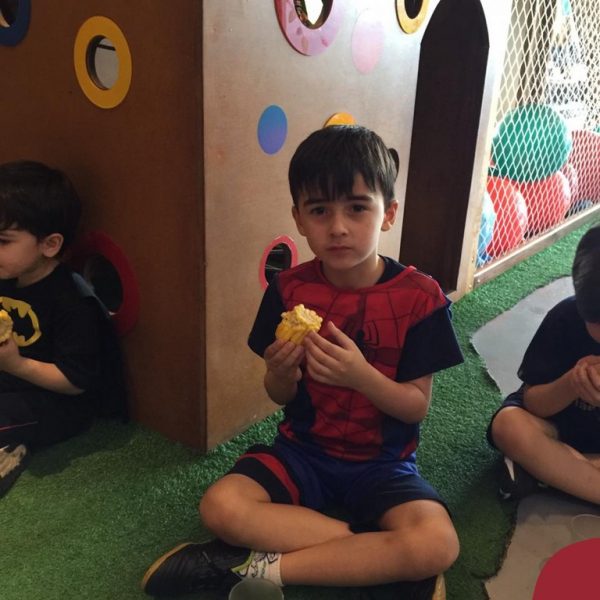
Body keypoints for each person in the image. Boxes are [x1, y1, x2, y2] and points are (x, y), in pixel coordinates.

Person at [142, 125, 464, 598]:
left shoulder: (421, 298)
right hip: (302, 453)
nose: (338, 227)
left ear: (389, 214)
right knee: (221, 506)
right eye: (319, 210)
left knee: (438, 542)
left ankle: (253, 570)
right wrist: (279, 373)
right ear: (298, 217)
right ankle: (377, 559)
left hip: (382, 465)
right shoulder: (288, 289)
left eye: (357, 208)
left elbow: (415, 407)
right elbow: (280, 396)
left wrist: (361, 377)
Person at [0, 160, 124, 497]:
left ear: (49, 244)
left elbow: (77, 382)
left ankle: (11, 448)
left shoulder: (71, 299)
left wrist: (16, 365)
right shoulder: (8, 274)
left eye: (3, 241)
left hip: (57, 402)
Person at [488, 224, 600, 503]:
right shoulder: (564, 319)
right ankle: (562, 474)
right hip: (558, 426)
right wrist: (572, 384)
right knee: (508, 425)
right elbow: (534, 402)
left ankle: (546, 472)